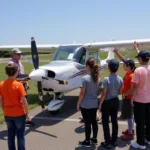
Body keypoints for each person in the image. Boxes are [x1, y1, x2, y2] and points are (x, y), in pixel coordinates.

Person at [0, 63, 30, 150]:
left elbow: (1, 100)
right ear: (16, 72)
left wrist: (3, 109)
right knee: (20, 135)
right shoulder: (18, 85)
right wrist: (27, 114)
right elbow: (24, 101)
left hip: (8, 113)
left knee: (10, 135)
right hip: (19, 114)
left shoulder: (1, 84)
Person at [98, 59, 123, 149]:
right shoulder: (120, 79)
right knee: (114, 120)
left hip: (107, 102)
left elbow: (104, 93)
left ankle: (107, 141)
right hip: (115, 101)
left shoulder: (106, 79)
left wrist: (100, 104)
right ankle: (114, 140)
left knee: (105, 122)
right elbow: (120, 92)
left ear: (109, 68)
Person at [77, 58, 100, 147]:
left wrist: (78, 103)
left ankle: (87, 141)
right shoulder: (97, 78)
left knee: (87, 123)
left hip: (86, 104)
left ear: (87, 67)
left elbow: (82, 93)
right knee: (94, 122)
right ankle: (94, 138)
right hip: (94, 103)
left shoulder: (85, 78)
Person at [8, 48, 35, 126]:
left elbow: (22, 73)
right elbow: (12, 77)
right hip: (16, 86)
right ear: (13, 54)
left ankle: (25, 119)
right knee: (20, 103)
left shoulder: (19, 62)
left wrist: (26, 82)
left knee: (24, 101)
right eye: (18, 54)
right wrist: (24, 79)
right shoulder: (11, 64)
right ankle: (21, 120)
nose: (20, 56)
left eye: (20, 54)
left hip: (22, 84)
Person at [114, 48, 135, 141]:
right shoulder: (128, 73)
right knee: (130, 116)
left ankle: (130, 134)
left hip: (129, 98)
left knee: (129, 116)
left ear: (130, 66)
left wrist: (124, 94)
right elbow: (123, 59)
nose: (124, 65)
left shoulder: (131, 76)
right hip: (127, 97)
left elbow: (132, 89)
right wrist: (117, 53)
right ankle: (131, 130)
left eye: (125, 65)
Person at [130, 50, 150, 149]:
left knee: (140, 123)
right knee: (148, 121)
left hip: (139, 100)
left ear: (141, 59)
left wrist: (132, 99)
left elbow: (134, 87)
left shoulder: (138, 70)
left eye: (138, 58)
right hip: (149, 99)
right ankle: (148, 139)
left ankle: (140, 143)